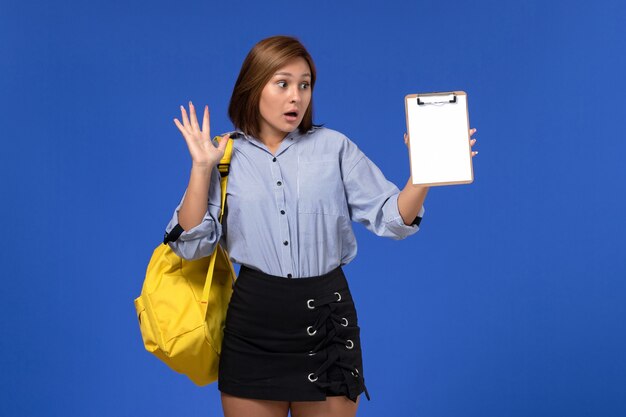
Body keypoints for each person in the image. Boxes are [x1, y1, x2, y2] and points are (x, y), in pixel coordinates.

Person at [164, 35, 478, 417]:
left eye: (304, 84)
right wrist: (201, 168)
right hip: (253, 326)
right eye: (282, 83)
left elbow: (392, 220)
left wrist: (423, 174)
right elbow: (191, 244)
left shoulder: (335, 148)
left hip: (328, 321)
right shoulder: (223, 154)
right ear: (253, 86)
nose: (296, 96)